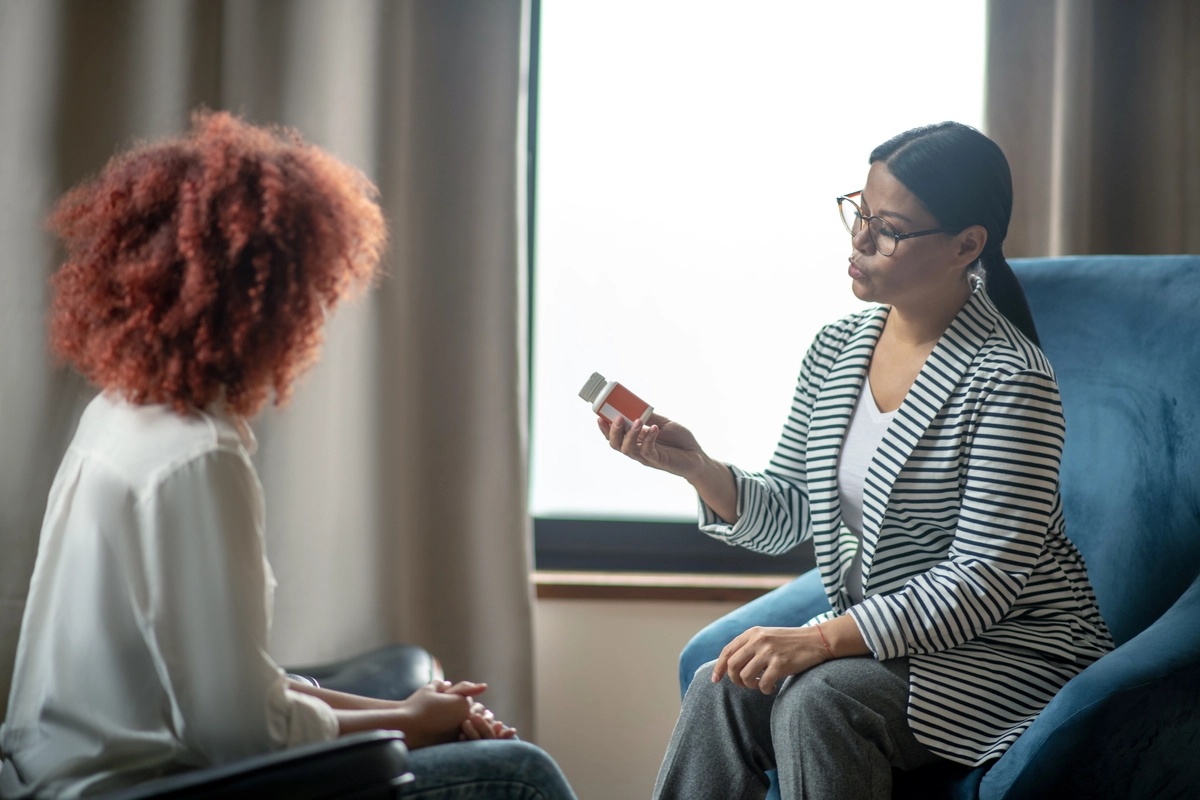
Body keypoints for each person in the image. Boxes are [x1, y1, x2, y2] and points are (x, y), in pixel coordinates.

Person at [0, 110, 576, 800]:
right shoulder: (196, 458)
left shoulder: (123, 410)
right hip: (136, 791)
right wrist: (409, 725)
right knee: (521, 776)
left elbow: (236, 688)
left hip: (62, 775)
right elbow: (243, 734)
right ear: (264, 299)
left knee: (457, 728)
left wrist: (412, 713)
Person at [599, 122, 1113, 800]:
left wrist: (821, 641)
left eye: (889, 229)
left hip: (1009, 649)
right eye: (860, 213)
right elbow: (792, 513)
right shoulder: (835, 349)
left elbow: (983, 581)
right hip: (894, 640)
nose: (860, 241)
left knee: (821, 699)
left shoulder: (1010, 379)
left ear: (966, 245)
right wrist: (697, 466)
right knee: (719, 684)